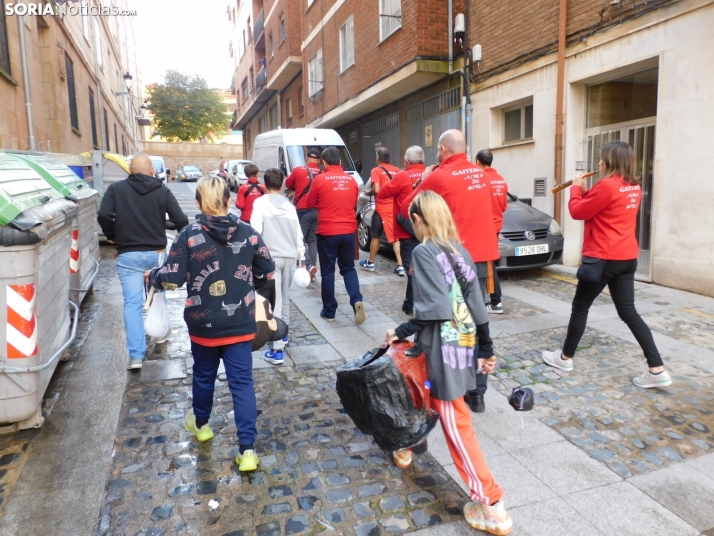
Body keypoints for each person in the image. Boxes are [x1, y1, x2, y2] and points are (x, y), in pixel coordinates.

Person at [386, 191, 513, 536]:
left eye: (412, 220)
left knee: (456, 425)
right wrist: (486, 348)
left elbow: (433, 310)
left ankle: (491, 502)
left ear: (419, 220)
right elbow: (477, 303)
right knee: (419, 392)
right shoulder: (460, 250)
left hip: (444, 347)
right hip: (465, 341)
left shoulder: (425, 252)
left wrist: (397, 331)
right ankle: (407, 444)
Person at [146, 176, 275, 471]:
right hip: (241, 323)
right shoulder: (249, 233)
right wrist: (249, 282)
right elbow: (267, 270)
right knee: (242, 385)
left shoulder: (188, 235)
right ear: (229, 201)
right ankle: (248, 451)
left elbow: (172, 278)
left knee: (204, 376)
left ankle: (202, 425)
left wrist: (154, 276)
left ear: (198, 203)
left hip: (203, 324)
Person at [542, 141, 672, 389]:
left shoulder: (607, 185)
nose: (599, 163)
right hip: (627, 257)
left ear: (610, 161)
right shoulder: (632, 185)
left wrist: (575, 188)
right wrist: (585, 189)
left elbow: (578, 211)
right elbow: (601, 206)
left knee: (580, 307)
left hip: (603, 257)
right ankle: (657, 369)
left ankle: (564, 359)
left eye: (602, 159)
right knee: (629, 312)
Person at [402, 130, 498, 413]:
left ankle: (441, 387)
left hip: (447, 256)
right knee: (475, 317)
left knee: (446, 326)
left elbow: (414, 207)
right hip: (477, 256)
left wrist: (423, 178)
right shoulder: (483, 174)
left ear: (443, 149)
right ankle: (477, 392)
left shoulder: (439, 175)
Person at [97, 153, 188, 370]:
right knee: (157, 295)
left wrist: (112, 235)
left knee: (132, 303)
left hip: (128, 254)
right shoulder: (162, 191)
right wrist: (164, 227)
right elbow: (181, 220)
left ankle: (136, 356)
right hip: (155, 253)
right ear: (151, 171)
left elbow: (103, 214)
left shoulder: (116, 190)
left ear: (130, 170)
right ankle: (160, 333)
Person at [305, 146, 366, 325]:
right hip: (348, 232)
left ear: (324, 163)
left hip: (327, 232)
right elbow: (354, 203)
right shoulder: (351, 180)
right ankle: (356, 301)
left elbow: (310, 202)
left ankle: (330, 310)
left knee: (328, 271)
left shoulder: (319, 179)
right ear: (340, 161)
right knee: (348, 268)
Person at [250, 168, 305, 365]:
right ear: (282, 185)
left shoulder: (260, 203)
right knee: (285, 298)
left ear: (265, 185)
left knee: (275, 302)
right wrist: (302, 258)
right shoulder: (290, 207)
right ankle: (284, 335)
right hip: (290, 256)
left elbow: (255, 232)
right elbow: (298, 235)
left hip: (270, 258)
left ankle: (278, 350)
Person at [376, 145, 425, 316]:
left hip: (407, 230)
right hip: (428, 231)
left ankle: (416, 303)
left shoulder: (403, 176)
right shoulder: (431, 175)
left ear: (406, 162)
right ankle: (409, 303)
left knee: (412, 269)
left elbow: (381, 194)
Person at [360, 147, 405, 276]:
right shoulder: (397, 171)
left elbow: (377, 189)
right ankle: (400, 266)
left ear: (378, 158)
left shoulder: (376, 170)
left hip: (381, 208)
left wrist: (369, 192)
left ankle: (371, 263)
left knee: (375, 236)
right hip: (395, 208)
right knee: (396, 237)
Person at [476, 149, 507, 314]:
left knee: (487, 264)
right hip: (496, 226)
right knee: (489, 263)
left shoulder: (481, 180)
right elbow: (503, 206)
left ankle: (496, 301)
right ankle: (496, 300)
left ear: (478, 162)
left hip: (484, 227)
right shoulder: (501, 180)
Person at [286, 147, 321, 281]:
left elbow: (288, 183)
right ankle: (312, 272)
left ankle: (308, 265)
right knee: (312, 240)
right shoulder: (322, 172)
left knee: (298, 240)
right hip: (317, 211)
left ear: (307, 158)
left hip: (302, 209)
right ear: (318, 160)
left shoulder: (298, 170)